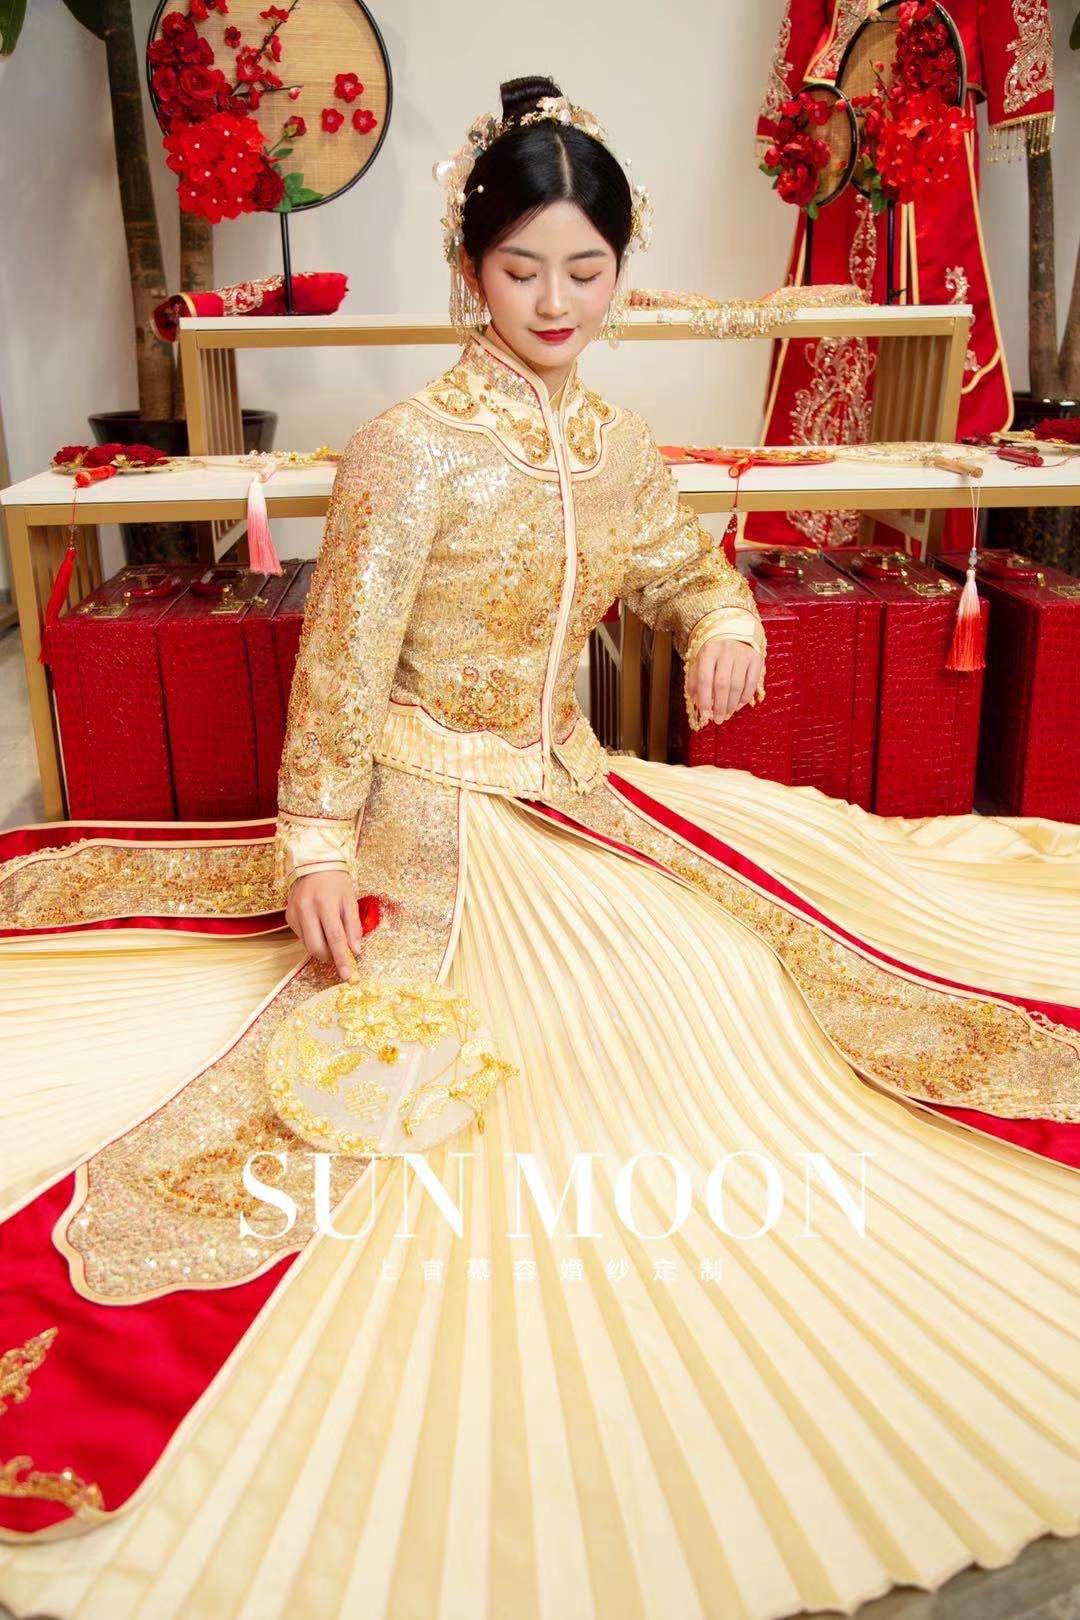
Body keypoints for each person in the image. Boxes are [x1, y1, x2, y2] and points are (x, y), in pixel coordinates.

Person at [1, 72, 1079, 1620]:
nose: (557, 302)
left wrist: (722, 624)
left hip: (575, 788)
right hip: (433, 818)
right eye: (523, 270)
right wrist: (316, 841)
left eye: (588, 268)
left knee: (749, 963)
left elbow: (685, 564)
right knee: (572, 1034)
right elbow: (341, 663)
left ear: (621, 270)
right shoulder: (406, 450)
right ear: (471, 271)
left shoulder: (617, 443)